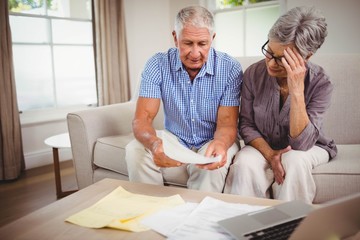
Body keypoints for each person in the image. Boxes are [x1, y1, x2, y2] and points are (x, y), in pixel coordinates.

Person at [224, 6, 337, 203]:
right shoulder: (253, 74)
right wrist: (270, 154)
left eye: (282, 59)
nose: (271, 63)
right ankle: (241, 225)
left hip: (311, 147)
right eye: (269, 51)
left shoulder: (321, 83)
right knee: (245, 163)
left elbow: (301, 144)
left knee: (293, 161)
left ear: (307, 57)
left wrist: (296, 90)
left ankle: (292, 229)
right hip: (263, 144)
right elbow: (246, 126)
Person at [125, 6, 243, 192]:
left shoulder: (230, 69)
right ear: (175, 38)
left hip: (213, 139)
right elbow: (142, 119)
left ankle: (196, 218)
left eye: (202, 44)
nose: (195, 53)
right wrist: (155, 144)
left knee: (212, 166)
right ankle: (150, 210)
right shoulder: (157, 64)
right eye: (187, 43)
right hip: (175, 139)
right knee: (135, 150)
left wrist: (220, 144)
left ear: (212, 39)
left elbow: (227, 125)